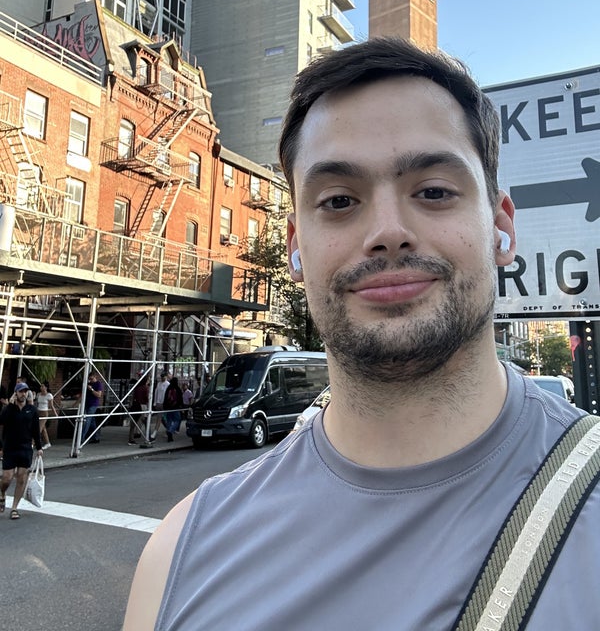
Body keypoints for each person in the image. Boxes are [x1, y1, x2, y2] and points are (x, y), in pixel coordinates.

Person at [124, 38, 600, 630]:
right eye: (339, 200)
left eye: (433, 191)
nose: (388, 232)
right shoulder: (182, 552)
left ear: (501, 226)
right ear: (296, 249)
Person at [0, 382, 43, 519]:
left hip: (25, 448)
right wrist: (9, 405)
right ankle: (2, 493)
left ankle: (14, 508)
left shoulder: (32, 410)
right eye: (20, 391)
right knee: (7, 478)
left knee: (21, 478)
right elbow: (1, 421)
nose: (23, 394)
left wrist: (39, 447)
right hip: (10, 447)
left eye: (25, 391)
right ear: (16, 393)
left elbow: (36, 430)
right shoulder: (9, 409)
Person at [81, 371, 103, 444]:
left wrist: (92, 389)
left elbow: (99, 395)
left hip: (93, 404)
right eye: (89, 379)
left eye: (91, 379)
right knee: (92, 421)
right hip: (87, 404)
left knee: (87, 420)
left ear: (95, 377)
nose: (90, 380)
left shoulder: (98, 384)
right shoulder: (89, 384)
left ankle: (81, 438)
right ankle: (95, 437)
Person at [128, 373, 150, 445]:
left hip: (136, 404)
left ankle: (131, 438)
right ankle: (148, 436)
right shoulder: (145, 388)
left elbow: (133, 396)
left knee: (134, 422)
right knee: (145, 421)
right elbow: (146, 398)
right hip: (143, 405)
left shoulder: (137, 387)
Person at [36, 382, 57, 449]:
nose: (41, 387)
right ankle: (48, 443)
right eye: (41, 386)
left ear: (46, 387)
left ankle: (33, 443)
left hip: (44, 413)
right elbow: (37, 404)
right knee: (43, 429)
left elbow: (51, 406)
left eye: (42, 386)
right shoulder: (38, 394)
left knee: (38, 429)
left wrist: (55, 414)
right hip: (38, 412)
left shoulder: (49, 395)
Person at [162, 377, 183, 443]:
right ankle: (170, 431)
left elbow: (165, 397)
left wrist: (165, 406)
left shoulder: (168, 388)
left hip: (168, 407)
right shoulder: (177, 388)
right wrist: (181, 406)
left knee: (169, 420)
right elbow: (180, 398)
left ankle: (169, 435)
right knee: (177, 420)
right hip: (175, 407)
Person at [151, 371, 170, 441]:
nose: (162, 378)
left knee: (160, 418)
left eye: (163, 376)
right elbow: (156, 393)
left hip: (163, 404)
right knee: (161, 418)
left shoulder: (168, 384)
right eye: (161, 377)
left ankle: (155, 433)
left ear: (166, 376)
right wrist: (155, 402)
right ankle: (168, 429)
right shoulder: (159, 384)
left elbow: (167, 395)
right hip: (158, 403)